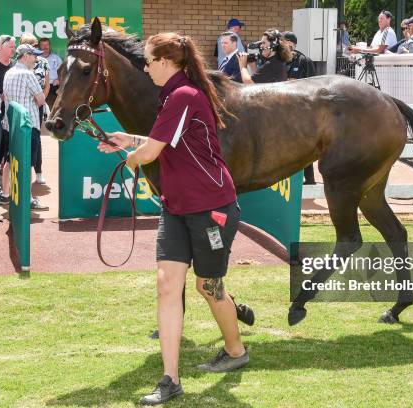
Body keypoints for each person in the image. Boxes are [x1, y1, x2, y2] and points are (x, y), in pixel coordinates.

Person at [98, 33, 249, 405]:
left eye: (148, 61)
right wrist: (127, 140)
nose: (145, 67)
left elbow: (152, 153)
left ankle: (235, 351)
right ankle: (170, 379)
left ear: (166, 62)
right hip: (177, 207)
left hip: (211, 208)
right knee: (167, 285)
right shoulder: (173, 94)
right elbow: (161, 143)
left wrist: (133, 155)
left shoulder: (183, 94)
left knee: (208, 286)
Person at [3, 44, 48, 210]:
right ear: (26, 56)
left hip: (11, 125)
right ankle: (27, 198)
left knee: (9, 160)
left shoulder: (9, 72)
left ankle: (6, 195)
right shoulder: (28, 74)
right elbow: (41, 99)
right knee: (27, 163)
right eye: (34, 55)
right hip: (29, 126)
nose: (36, 59)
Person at [283, 31, 317, 185]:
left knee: (306, 144)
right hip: (285, 109)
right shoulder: (281, 60)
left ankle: (310, 179)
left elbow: (312, 85)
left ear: (292, 44)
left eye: (284, 42)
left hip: (303, 110)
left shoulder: (304, 60)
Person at [20, 33, 50, 185]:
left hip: (38, 105)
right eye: (34, 45)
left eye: (37, 45)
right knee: (21, 137)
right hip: (23, 105)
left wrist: (41, 101)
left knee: (36, 138)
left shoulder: (44, 62)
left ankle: (38, 172)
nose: (37, 48)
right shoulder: (18, 63)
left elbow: (47, 85)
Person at [0, 34, 16, 203]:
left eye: (14, 47)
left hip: (11, 116)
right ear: (0, 47)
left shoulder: (14, 66)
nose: (14, 50)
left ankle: (5, 185)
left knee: (7, 151)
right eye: (11, 47)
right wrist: (2, 96)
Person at [39, 37, 62, 106]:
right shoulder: (36, 59)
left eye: (47, 45)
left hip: (53, 87)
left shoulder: (56, 58)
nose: (45, 47)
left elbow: (63, 72)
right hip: (40, 87)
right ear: (40, 46)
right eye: (42, 45)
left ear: (49, 46)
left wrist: (58, 80)